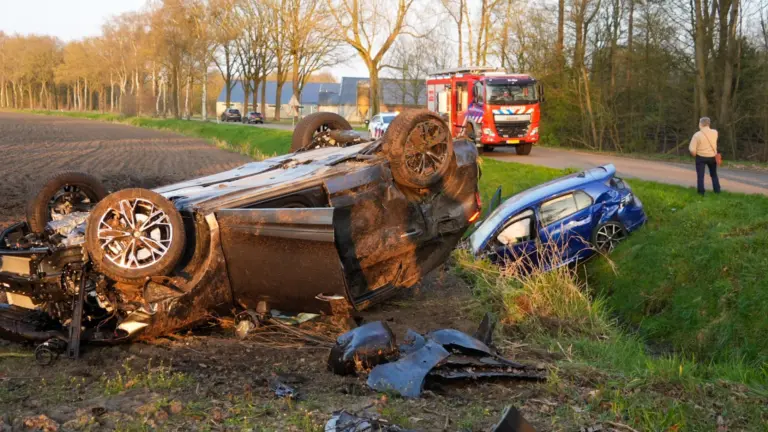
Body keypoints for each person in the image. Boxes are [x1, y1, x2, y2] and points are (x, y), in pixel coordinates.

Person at [689, 117, 721, 195]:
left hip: (701, 157)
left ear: (701, 124)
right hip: (712, 157)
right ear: (709, 124)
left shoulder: (697, 135)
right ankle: (717, 191)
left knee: (700, 176)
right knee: (713, 174)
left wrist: (694, 155)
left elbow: (692, 149)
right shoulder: (715, 132)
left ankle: (701, 192)